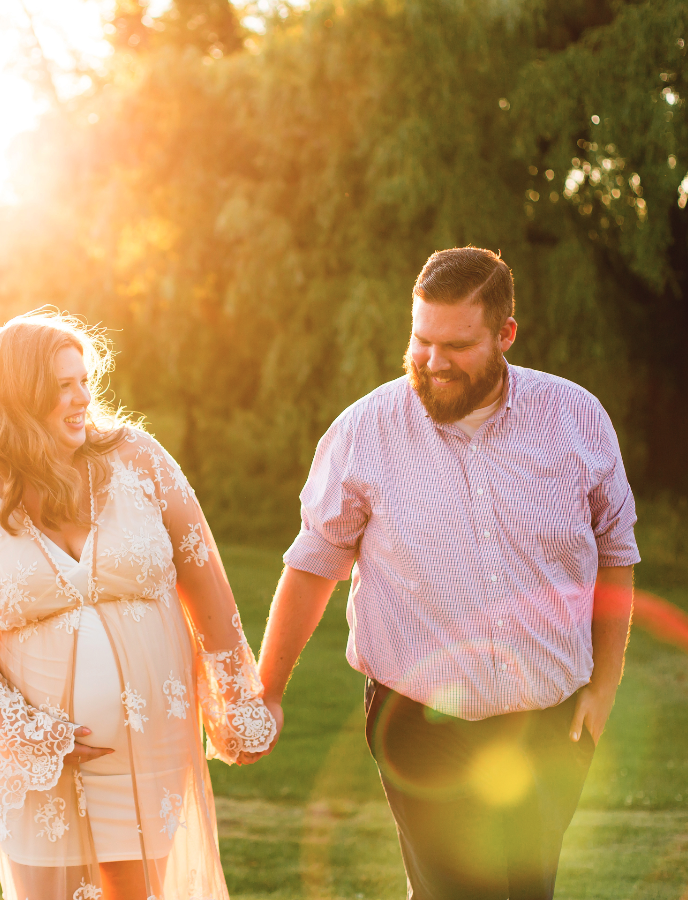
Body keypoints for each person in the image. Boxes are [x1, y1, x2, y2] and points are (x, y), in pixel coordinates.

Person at [255, 247, 640, 900]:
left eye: (456, 345)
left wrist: (604, 686)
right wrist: (266, 690)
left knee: (525, 891)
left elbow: (615, 552)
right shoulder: (366, 431)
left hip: (550, 725)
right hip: (418, 723)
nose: (433, 361)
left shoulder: (576, 420)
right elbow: (313, 564)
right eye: (421, 339)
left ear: (505, 334)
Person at [0, 311, 276, 900]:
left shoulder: (138, 458)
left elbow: (206, 579)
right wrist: (34, 733)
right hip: (43, 764)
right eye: (63, 386)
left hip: (149, 747)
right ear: (18, 396)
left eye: (84, 380)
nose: (83, 397)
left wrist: (239, 700)